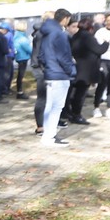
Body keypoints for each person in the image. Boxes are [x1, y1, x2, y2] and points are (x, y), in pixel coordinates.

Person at [37, 9, 76, 148]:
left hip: (51, 73)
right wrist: (71, 70)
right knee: (56, 107)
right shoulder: (60, 34)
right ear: (65, 18)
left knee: (50, 106)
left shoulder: (47, 33)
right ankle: (49, 137)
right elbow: (63, 56)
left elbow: (41, 55)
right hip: (59, 74)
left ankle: (48, 135)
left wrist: (48, 67)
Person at [67, 17, 105, 125]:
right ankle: (76, 115)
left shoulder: (75, 36)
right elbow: (99, 49)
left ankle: (70, 113)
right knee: (81, 94)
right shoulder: (88, 37)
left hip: (78, 67)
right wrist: (106, 43)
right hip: (87, 69)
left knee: (74, 93)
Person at [12, 20, 33, 99]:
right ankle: (19, 92)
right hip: (23, 57)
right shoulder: (23, 38)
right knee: (21, 75)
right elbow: (29, 49)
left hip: (19, 57)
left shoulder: (16, 36)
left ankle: (19, 91)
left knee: (20, 75)